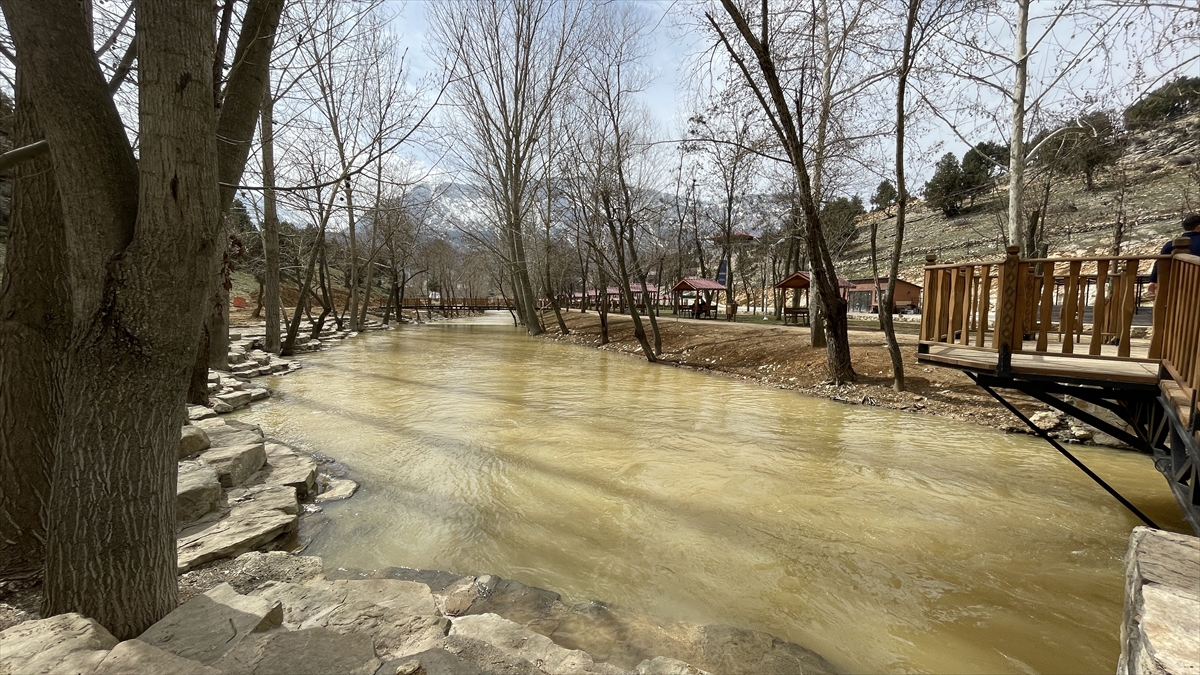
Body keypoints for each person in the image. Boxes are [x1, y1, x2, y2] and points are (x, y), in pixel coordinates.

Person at [1148, 213, 1200, 293]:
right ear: (1199, 227)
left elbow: (1161, 262)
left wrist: (1153, 280)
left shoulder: (1170, 244)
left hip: (1177, 290)